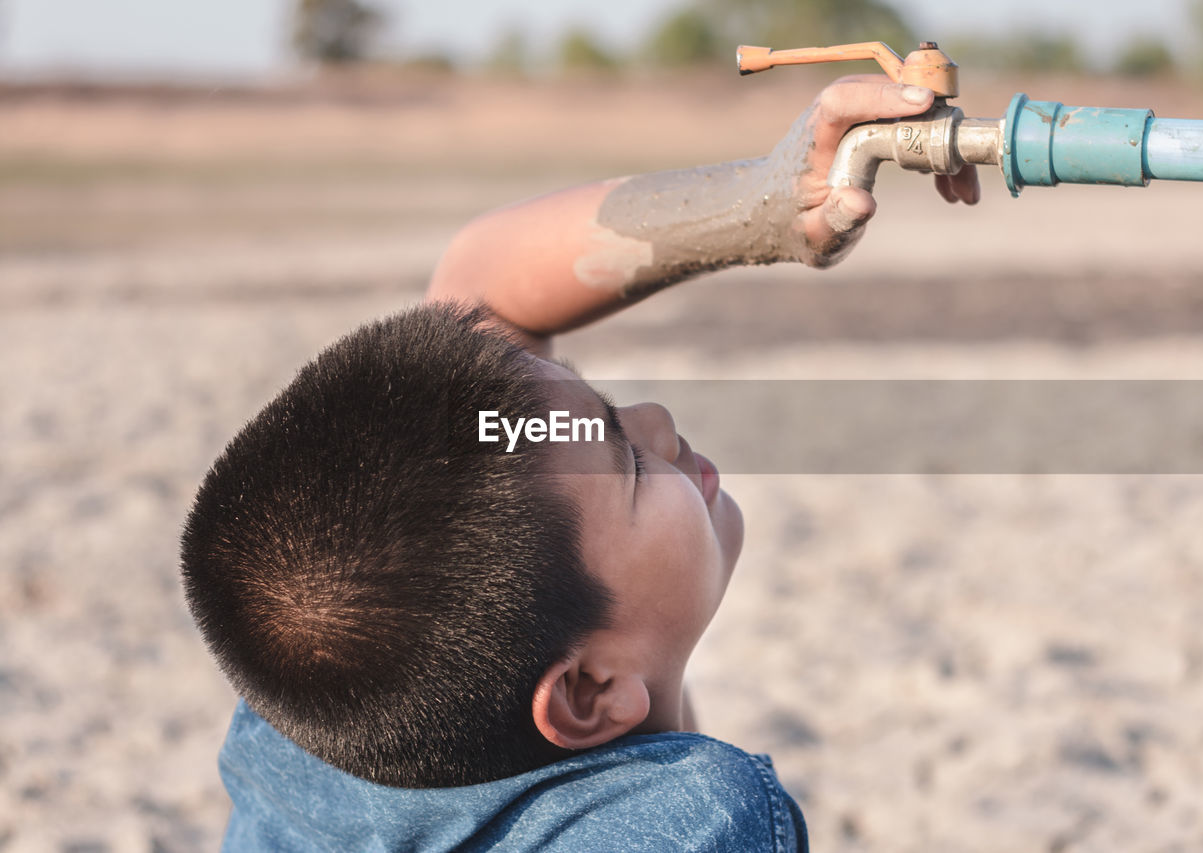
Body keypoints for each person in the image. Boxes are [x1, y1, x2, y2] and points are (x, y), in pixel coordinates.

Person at [180, 75, 980, 852]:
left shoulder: (333, 707)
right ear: (586, 691)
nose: (657, 424)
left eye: (608, 412)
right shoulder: (695, 823)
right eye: (628, 468)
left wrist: (770, 199)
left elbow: (482, 287)